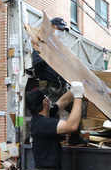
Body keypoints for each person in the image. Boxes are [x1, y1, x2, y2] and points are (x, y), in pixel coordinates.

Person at [31, 17, 87, 146]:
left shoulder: (61, 48)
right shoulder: (41, 45)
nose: (61, 32)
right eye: (59, 29)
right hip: (50, 87)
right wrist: (48, 55)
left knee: (79, 106)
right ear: (52, 28)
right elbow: (37, 68)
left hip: (62, 87)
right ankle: (54, 139)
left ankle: (74, 137)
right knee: (50, 113)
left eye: (63, 30)